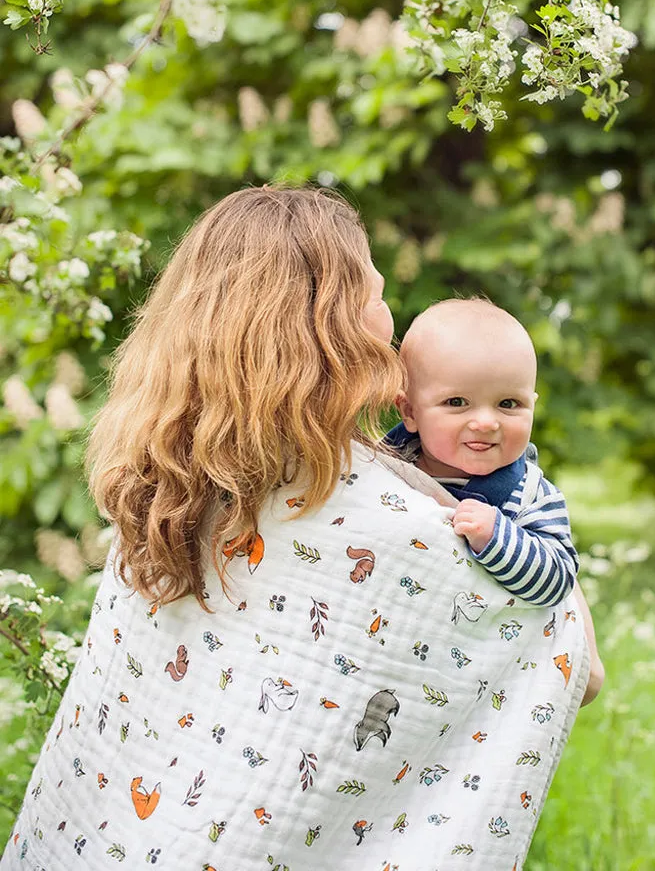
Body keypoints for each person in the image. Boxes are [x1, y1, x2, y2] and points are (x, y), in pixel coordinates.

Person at [1, 187, 602, 871]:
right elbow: (576, 665)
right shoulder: (387, 517)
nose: (389, 316)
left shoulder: (161, 490)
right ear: (333, 322)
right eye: (375, 293)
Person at [387, 298, 578, 605]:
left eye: (508, 404)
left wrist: (496, 536)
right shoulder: (380, 469)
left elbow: (559, 581)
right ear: (409, 411)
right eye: (457, 402)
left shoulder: (530, 495)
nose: (487, 423)